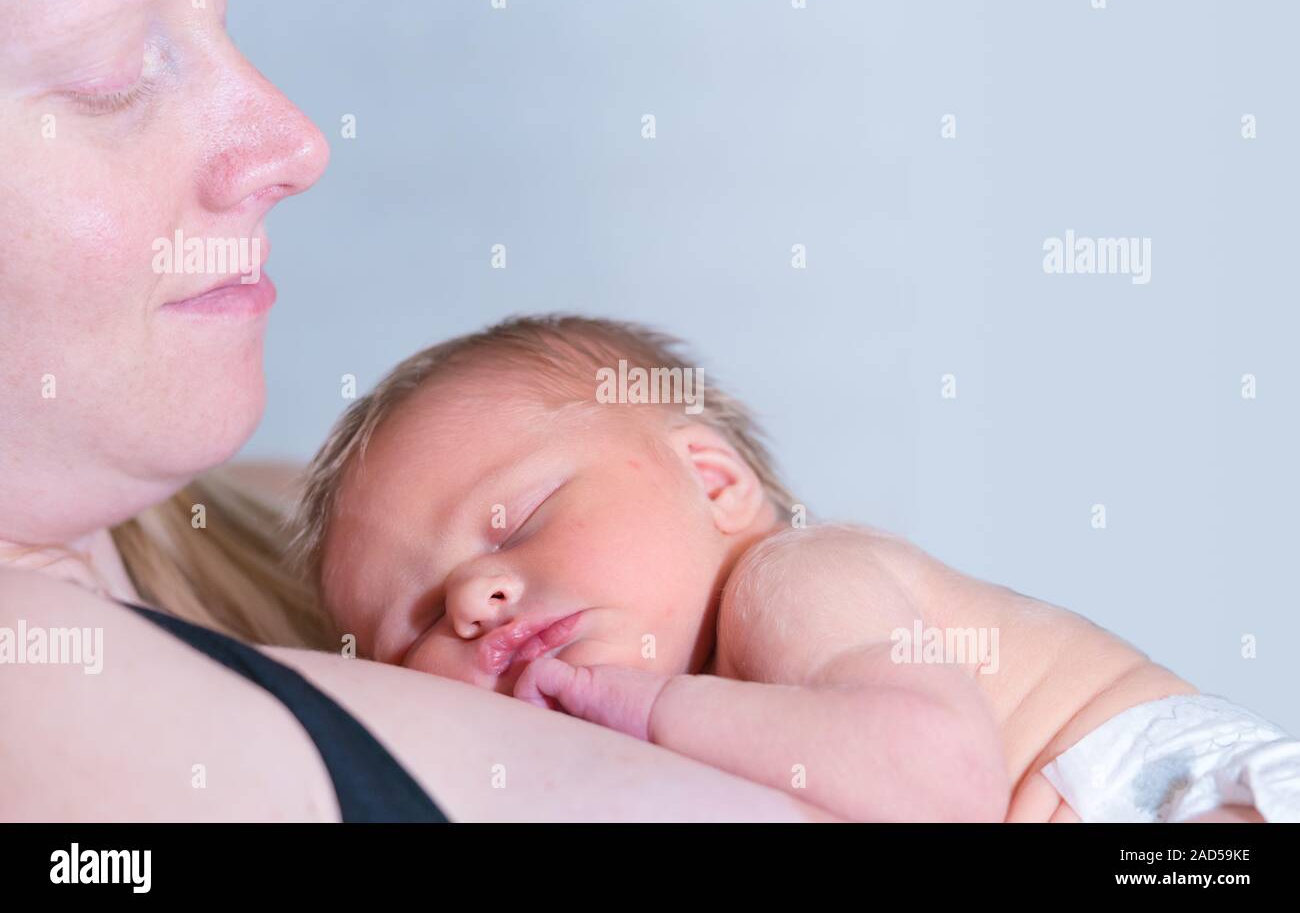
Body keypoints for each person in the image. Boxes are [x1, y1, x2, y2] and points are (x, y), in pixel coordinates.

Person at [0, 0, 830, 823]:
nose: (296, 144)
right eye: (115, 77)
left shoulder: (309, 535)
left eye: (221, 19)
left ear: (716, 480)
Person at [298, 314, 1300, 823]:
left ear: (713, 479)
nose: (474, 599)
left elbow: (931, 777)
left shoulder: (791, 579)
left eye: (514, 524)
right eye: (416, 624)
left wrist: (642, 708)